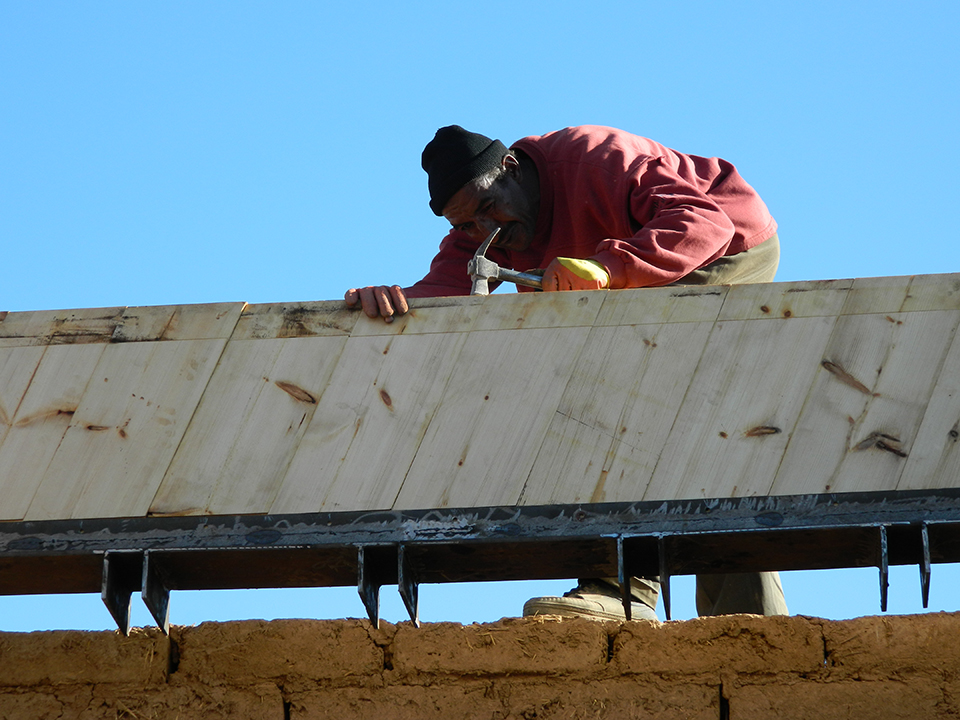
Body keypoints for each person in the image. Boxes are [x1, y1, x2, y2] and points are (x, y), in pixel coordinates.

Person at [345, 124, 788, 621]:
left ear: (511, 168)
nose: (485, 231)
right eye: (466, 225)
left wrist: (608, 268)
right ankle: (749, 621)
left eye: (489, 208)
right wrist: (385, 301)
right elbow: (439, 295)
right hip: (628, 280)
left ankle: (622, 589)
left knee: (629, 395)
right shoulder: (481, 229)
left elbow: (704, 223)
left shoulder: (600, 159)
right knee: (699, 440)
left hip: (725, 250)